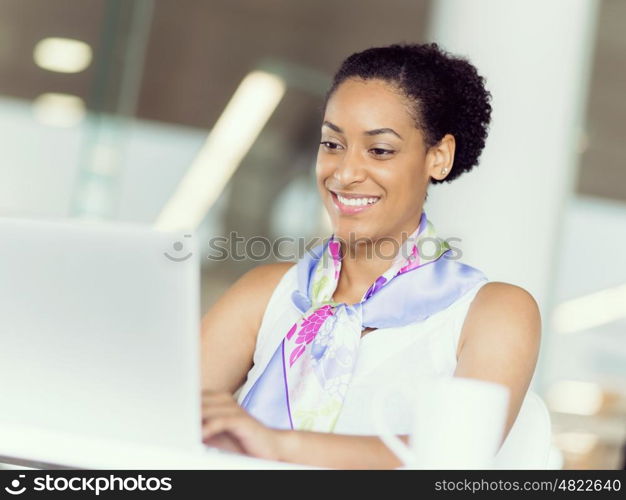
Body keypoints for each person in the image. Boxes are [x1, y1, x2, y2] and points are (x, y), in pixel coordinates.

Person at [199, 42, 541, 469]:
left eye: (379, 150)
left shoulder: (490, 312)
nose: (344, 173)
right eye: (332, 144)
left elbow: (452, 459)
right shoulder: (267, 292)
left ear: (438, 157)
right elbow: (165, 413)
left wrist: (275, 444)